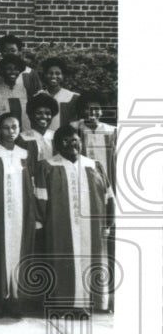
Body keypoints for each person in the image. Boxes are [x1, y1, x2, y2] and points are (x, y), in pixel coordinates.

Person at [34, 125, 114, 315]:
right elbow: (40, 198)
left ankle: (85, 305)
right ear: (57, 144)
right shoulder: (47, 166)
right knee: (61, 261)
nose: (71, 144)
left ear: (81, 141)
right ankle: (61, 306)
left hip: (91, 227)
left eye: (74, 140)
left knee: (89, 260)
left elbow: (107, 196)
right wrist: (39, 224)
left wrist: (109, 222)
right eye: (65, 141)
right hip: (58, 226)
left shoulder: (94, 165)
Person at [0, 114, 36, 319]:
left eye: (14, 127)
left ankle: (15, 299)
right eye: (6, 128)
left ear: (19, 128)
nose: (11, 132)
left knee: (19, 253)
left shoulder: (25, 154)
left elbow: (31, 185)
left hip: (21, 212)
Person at [73, 91, 116, 190]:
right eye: (87, 109)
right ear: (82, 110)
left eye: (96, 109)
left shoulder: (112, 131)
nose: (92, 112)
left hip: (108, 180)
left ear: (102, 110)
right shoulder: (75, 130)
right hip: (82, 180)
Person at [0, 55, 31, 130]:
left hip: (24, 132)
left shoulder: (25, 90)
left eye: (16, 69)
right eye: (9, 69)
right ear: (2, 71)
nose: (13, 72)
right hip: (2, 132)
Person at [19, 92, 58, 171]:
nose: (44, 116)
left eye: (47, 113)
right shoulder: (22, 138)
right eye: (39, 113)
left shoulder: (56, 137)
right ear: (31, 115)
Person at [37, 57, 79, 130]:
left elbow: (75, 123)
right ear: (45, 75)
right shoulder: (39, 96)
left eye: (58, 73)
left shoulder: (72, 97)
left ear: (62, 76)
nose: (54, 76)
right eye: (50, 73)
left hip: (64, 138)